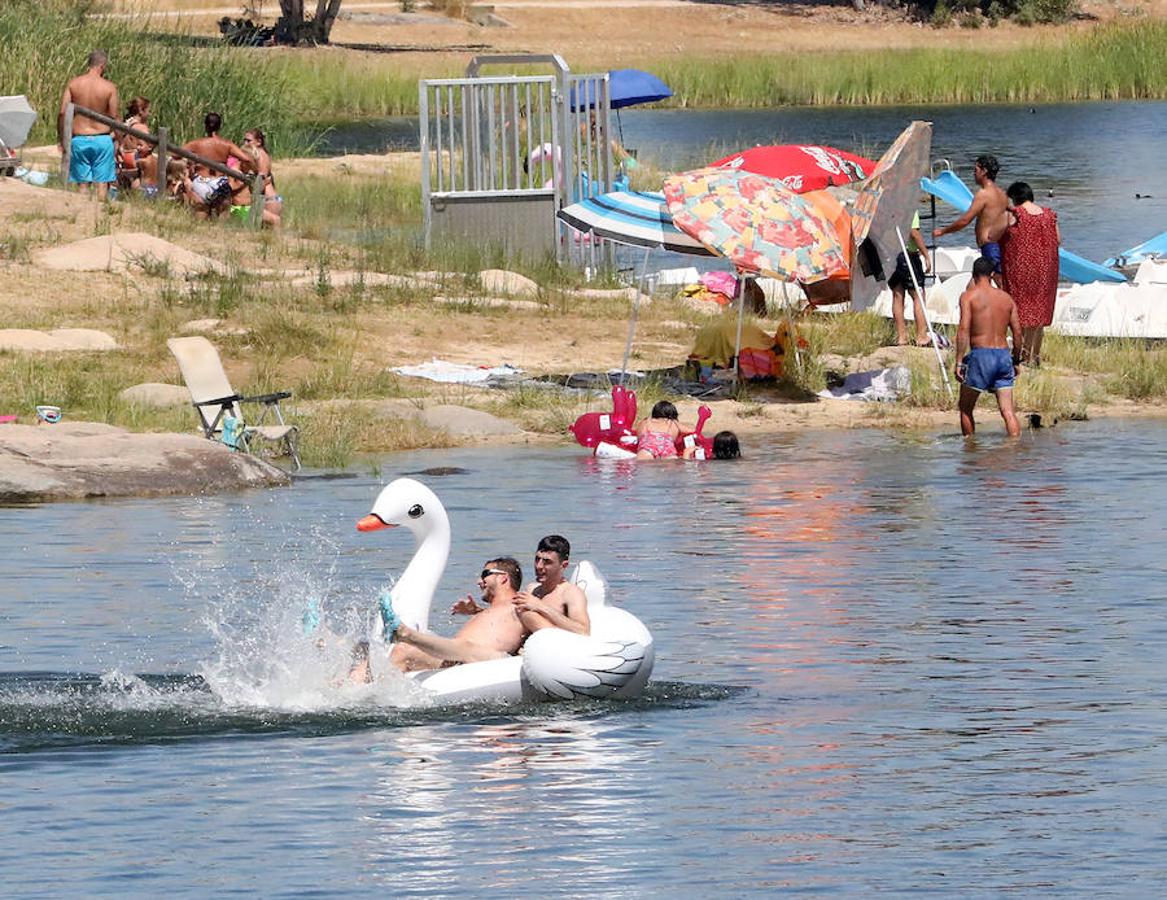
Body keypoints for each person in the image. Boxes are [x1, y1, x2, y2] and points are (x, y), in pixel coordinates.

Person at [351, 557, 529, 678]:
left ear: (503, 578)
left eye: (485, 574)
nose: (479, 581)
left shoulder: (521, 604)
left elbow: (541, 629)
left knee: (410, 649)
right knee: (384, 650)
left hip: (481, 659)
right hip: (454, 658)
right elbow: (498, 629)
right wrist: (476, 611)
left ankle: (403, 632)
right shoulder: (493, 610)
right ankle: (358, 691)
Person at [954, 257, 1024, 437]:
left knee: (965, 408)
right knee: (1008, 412)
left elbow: (963, 329)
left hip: (981, 356)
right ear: (992, 275)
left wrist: (959, 362)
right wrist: (1016, 359)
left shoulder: (968, 296)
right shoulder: (1006, 298)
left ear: (973, 275)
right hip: (1003, 356)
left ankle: (970, 451)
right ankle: (1014, 449)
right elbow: (1017, 333)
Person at [1000, 181, 1061, 368]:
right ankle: (1035, 356)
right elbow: (1058, 240)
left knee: (1022, 311)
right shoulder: (1049, 215)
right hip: (1047, 269)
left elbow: (994, 235)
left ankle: (1023, 356)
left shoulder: (1015, 214)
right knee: (1039, 312)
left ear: (1015, 198)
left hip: (1022, 268)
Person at [58, 50, 120, 201]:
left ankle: (81, 217)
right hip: (102, 139)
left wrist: (62, 137)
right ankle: (100, 218)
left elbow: (62, 113)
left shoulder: (74, 84)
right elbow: (114, 117)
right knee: (102, 184)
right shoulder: (109, 87)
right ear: (102, 66)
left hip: (79, 139)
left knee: (82, 185)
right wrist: (120, 140)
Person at [933, 154, 1009, 276]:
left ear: (984, 171)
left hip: (989, 246)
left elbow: (965, 221)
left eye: (976, 170)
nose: (973, 173)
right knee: (996, 282)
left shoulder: (983, 194)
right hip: (999, 244)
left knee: (994, 282)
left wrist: (943, 231)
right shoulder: (1002, 194)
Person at [181, 112, 254, 217]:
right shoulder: (227, 145)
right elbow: (246, 159)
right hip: (220, 183)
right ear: (219, 126)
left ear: (205, 126)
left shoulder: (196, 144)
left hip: (201, 182)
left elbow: (175, 154)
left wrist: (191, 161)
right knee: (222, 214)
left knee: (201, 213)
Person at [514, 535, 590, 636]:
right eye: (537, 559)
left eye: (547, 562)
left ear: (564, 565)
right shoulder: (531, 589)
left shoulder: (571, 593)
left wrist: (541, 606)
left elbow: (583, 631)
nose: (539, 566)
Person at [889, 210, 932, 347]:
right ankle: (921, 336)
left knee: (897, 294)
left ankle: (902, 336)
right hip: (907, 255)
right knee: (918, 295)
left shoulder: (887, 204)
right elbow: (914, 232)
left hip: (890, 254)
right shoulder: (909, 205)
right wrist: (926, 255)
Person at [228, 128, 282, 227]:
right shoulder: (239, 169)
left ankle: (275, 241)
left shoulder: (259, 156)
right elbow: (232, 187)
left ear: (259, 142)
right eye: (244, 140)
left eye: (248, 140)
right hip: (246, 207)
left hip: (266, 200)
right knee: (271, 224)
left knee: (269, 225)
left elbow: (259, 182)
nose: (245, 143)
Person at [118, 96, 157, 191]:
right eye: (148, 111)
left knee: (130, 181)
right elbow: (145, 146)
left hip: (126, 157)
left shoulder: (126, 124)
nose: (149, 114)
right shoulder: (140, 127)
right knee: (137, 181)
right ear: (141, 111)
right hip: (136, 158)